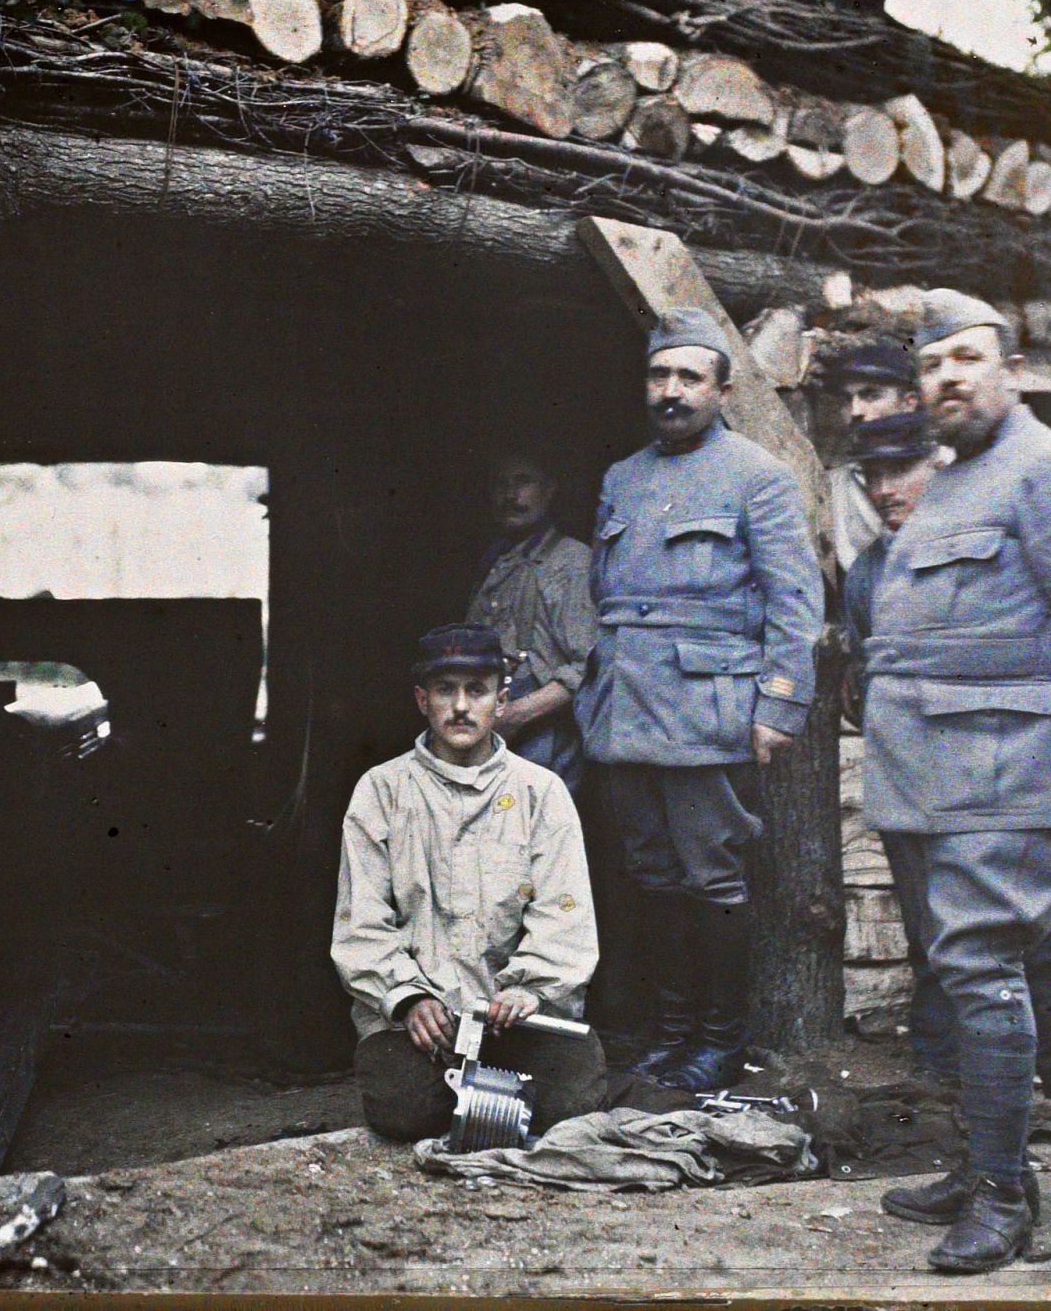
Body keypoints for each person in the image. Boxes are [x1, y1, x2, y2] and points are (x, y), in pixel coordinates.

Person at [861, 292, 1051, 1272]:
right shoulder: (946, 480)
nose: (946, 375)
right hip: (921, 778)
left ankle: (1003, 1194)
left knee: (983, 974)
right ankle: (978, 1155)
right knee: (952, 977)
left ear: (1011, 371)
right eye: (931, 361)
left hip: (1005, 769)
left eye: (967, 356)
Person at [840, 411, 1051, 1142]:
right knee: (933, 932)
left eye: (902, 469)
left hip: (999, 766)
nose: (887, 488)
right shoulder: (869, 570)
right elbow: (867, 673)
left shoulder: (1000, 544)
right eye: (873, 474)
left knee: (1035, 931)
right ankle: (952, 1078)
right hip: (913, 772)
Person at [575, 309, 824, 1093]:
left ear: (721, 389)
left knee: (712, 880)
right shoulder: (621, 477)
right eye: (660, 375)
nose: (671, 391)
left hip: (706, 714)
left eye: (689, 377)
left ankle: (720, 1041)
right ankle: (672, 1033)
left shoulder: (759, 475)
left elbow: (795, 603)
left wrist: (778, 706)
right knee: (651, 877)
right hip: (625, 712)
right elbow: (602, 596)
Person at [332, 623, 606, 1141]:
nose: (461, 707)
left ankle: (492, 1099)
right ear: (422, 700)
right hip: (420, 1025)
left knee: (573, 1107)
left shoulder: (540, 792)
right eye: (444, 690)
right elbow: (360, 923)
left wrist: (530, 989)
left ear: (501, 701)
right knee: (401, 1112)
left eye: (476, 690)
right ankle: (487, 1101)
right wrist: (408, 998)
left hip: (518, 1017)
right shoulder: (380, 791)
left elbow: (566, 916)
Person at [466, 448, 597, 790]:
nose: (511, 496)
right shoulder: (496, 559)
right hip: (491, 731)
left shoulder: (571, 562)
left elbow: (588, 667)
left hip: (542, 738)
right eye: (500, 484)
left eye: (523, 482)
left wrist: (518, 715)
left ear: (549, 489)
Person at [824, 338, 921, 575]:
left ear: (909, 403)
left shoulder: (948, 466)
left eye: (871, 396)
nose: (855, 411)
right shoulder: (831, 486)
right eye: (847, 400)